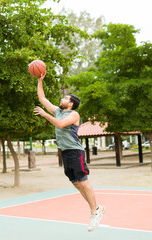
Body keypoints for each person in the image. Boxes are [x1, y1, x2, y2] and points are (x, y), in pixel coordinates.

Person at [33, 73, 105, 232]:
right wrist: (40, 80)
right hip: (65, 153)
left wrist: (45, 114)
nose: (61, 100)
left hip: (75, 151)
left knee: (83, 181)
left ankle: (95, 211)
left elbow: (60, 125)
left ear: (70, 104)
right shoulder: (58, 111)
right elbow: (42, 99)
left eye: (65, 98)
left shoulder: (74, 114)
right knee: (76, 183)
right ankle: (96, 208)